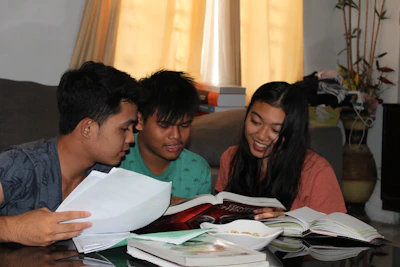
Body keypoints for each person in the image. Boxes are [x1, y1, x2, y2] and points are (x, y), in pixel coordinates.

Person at [0, 61, 146, 246]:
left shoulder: (106, 173)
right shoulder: (20, 164)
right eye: (124, 128)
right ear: (88, 128)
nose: (131, 139)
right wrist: (12, 228)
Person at [215, 82, 346, 220]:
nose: (261, 136)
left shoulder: (317, 173)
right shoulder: (231, 158)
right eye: (255, 122)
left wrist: (289, 224)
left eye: (276, 130)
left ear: (293, 133)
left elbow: (334, 236)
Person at [120, 70, 211, 203]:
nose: (176, 135)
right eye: (164, 126)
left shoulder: (197, 169)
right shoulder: (118, 160)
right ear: (139, 120)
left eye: (184, 125)